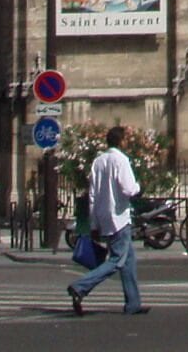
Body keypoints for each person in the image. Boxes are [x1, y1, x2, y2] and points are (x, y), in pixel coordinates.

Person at [68, 125, 148, 317]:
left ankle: (133, 304)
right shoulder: (121, 160)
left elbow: (93, 195)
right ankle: (80, 286)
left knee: (128, 261)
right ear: (121, 141)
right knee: (116, 261)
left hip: (103, 215)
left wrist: (94, 224)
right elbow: (129, 189)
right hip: (119, 216)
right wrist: (139, 187)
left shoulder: (98, 161)